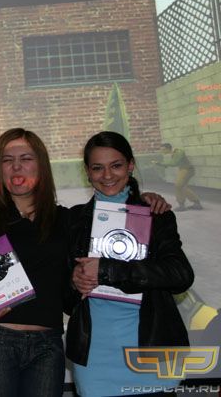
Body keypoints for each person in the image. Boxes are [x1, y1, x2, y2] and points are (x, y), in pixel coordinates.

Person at [66, 131, 194, 397]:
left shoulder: (155, 213)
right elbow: (64, 298)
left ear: (131, 165)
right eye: (97, 168)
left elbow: (180, 275)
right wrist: (73, 281)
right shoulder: (73, 220)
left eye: (116, 165)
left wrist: (107, 269)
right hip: (95, 356)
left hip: (151, 351)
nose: (107, 175)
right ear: (87, 172)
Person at [0, 128, 70, 397]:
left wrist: (145, 198)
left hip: (48, 344)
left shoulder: (66, 219)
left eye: (26, 158)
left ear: (41, 165)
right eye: (7, 160)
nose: (16, 166)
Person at [154, 143, 202, 211]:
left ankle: (185, 205)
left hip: (187, 169)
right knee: (181, 186)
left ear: (168, 149)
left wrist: (160, 163)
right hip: (183, 169)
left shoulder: (179, 152)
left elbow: (174, 163)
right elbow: (173, 162)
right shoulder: (174, 153)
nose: (162, 151)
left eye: (163, 150)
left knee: (178, 185)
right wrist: (161, 164)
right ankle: (194, 203)